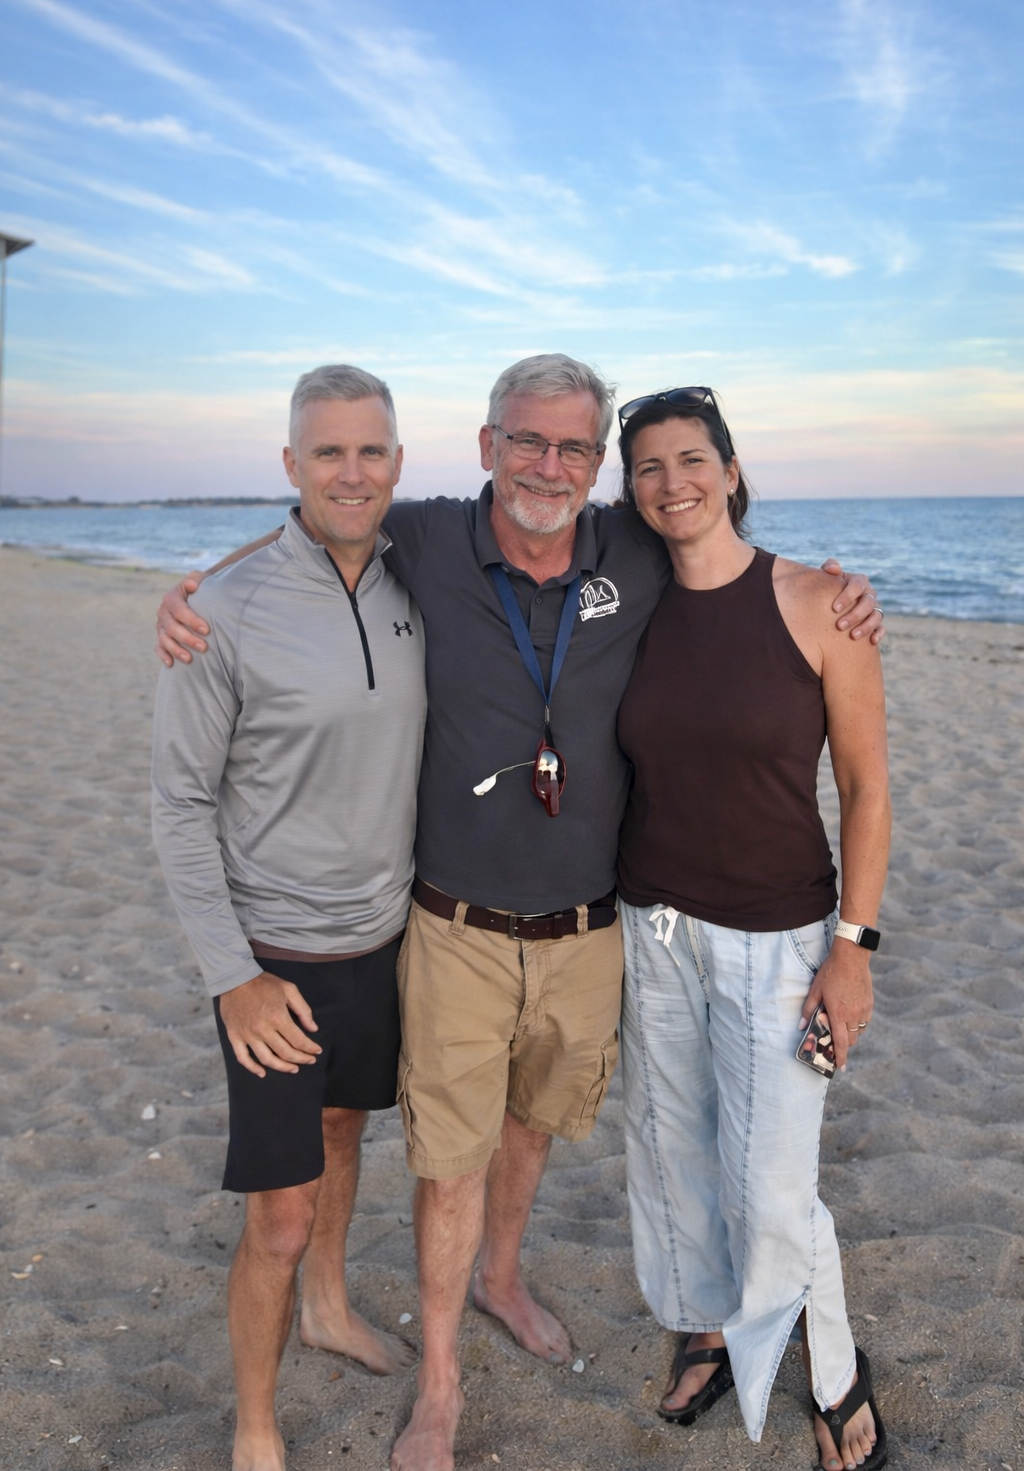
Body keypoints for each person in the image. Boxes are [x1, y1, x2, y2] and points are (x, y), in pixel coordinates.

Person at [155, 354, 885, 1471]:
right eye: (527, 441)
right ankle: (440, 1382)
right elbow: (324, 513)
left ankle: (504, 1275)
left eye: (575, 449)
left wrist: (840, 589)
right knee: (448, 1156)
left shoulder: (632, 547)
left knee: (534, 1123)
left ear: (600, 467)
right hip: (450, 923)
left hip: (595, 926)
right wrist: (196, 583)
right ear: (487, 443)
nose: (550, 465)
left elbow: (724, 561)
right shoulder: (434, 537)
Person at [151, 364, 427, 1471]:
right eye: (328, 452)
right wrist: (233, 976)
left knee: (347, 1132)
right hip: (272, 957)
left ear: (399, 464)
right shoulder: (224, 610)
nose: (351, 473)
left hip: (385, 941)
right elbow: (176, 804)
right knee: (275, 1215)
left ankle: (328, 1304)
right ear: (290, 465)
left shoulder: (427, 582)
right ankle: (256, 1424)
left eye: (371, 451)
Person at [614, 386, 890, 1471]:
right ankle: (709, 1324)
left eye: (691, 459)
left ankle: (832, 1375)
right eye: (646, 467)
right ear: (628, 490)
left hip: (779, 935)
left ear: (730, 469)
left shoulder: (823, 599)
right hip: (651, 926)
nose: (671, 482)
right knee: (672, 1155)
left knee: (772, 1182)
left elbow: (867, 790)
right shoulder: (624, 601)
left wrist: (851, 952)